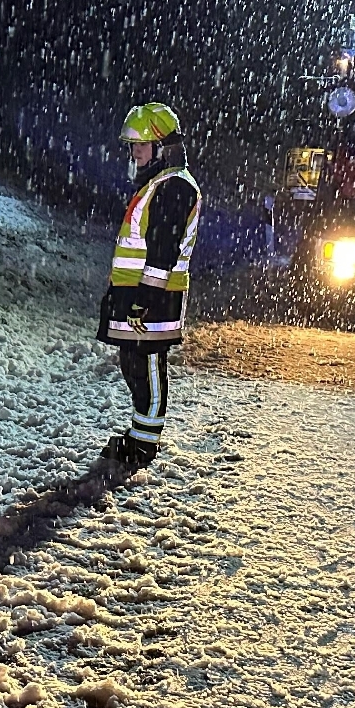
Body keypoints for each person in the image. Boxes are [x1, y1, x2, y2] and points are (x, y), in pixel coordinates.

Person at [97, 101, 201, 468]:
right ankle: (138, 436)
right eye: (132, 145)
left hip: (155, 296)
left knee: (149, 368)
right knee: (133, 364)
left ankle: (145, 445)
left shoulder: (174, 187)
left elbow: (162, 252)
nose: (134, 152)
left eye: (142, 144)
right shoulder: (158, 184)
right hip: (138, 292)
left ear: (162, 147)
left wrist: (144, 299)